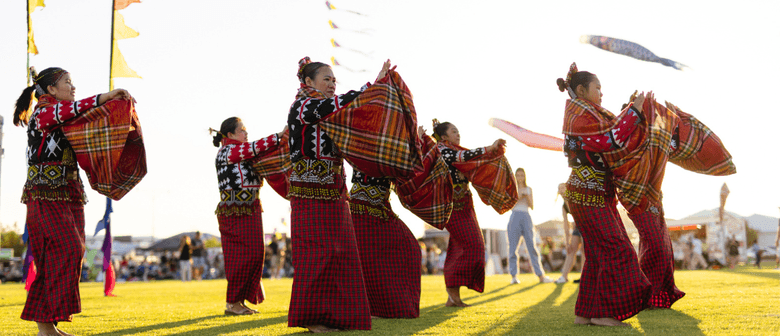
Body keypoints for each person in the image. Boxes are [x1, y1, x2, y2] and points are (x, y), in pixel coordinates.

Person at [14, 66, 133, 336]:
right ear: (52, 90)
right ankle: (46, 326)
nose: (73, 86)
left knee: (71, 252)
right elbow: (75, 109)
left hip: (68, 193)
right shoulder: (44, 112)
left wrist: (117, 106)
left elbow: (93, 120)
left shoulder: (66, 116)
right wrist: (105, 96)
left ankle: (47, 327)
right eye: (67, 82)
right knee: (66, 248)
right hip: (44, 194)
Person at [286, 57, 392, 332]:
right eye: (327, 79)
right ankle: (312, 319)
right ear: (308, 82)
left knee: (340, 252)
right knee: (316, 254)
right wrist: (374, 85)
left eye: (334, 80)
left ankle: (337, 316)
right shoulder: (305, 105)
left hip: (333, 192)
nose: (333, 84)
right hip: (309, 194)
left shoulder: (330, 113)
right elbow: (339, 103)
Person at [557, 63, 651, 326]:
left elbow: (611, 132)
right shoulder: (581, 117)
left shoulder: (584, 115)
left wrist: (628, 111)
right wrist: (633, 111)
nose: (601, 92)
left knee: (598, 254)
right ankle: (603, 313)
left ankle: (585, 313)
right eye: (597, 87)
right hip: (589, 193)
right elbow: (611, 140)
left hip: (590, 192)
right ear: (580, 89)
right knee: (618, 249)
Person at [212, 117, 283, 315]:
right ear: (230, 135)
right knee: (241, 257)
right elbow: (254, 147)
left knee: (255, 254)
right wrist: (278, 136)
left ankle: (239, 301)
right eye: (242, 130)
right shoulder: (227, 152)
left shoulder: (245, 153)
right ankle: (232, 303)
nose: (246, 133)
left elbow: (258, 150)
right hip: (233, 211)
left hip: (251, 208)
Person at [431, 120, 506, 307]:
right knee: (475, 246)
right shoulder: (442, 150)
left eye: (458, 131)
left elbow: (471, 160)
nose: (458, 134)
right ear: (444, 136)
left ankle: (453, 296)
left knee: (458, 249)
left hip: (465, 204)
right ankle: (452, 289)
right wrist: (490, 148)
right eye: (454, 131)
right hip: (451, 207)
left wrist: (493, 153)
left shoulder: (452, 150)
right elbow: (465, 156)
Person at [349, 169, 422, 318]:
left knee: (410, 248)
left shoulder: (389, 149)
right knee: (370, 260)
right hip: (364, 207)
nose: (459, 142)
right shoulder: (367, 147)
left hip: (377, 207)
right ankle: (375, 309)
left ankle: (379, 308)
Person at [506, 168, 553, 285]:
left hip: (526, 216)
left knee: (532, 247)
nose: (520, 177)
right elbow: (509, 205)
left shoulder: (528, 189)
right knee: (512, 248)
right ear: (515, 176)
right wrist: (519, 196)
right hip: (514, 216)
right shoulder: (511, 189)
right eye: (518, 175)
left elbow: (532, 206)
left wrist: (526, 196)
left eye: (522, 175)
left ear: (524, 176)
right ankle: (514, 276)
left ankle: (540, 275)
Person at [556, 184, 585, 284]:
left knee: (584, 250)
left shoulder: (574, 199)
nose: (561, 190)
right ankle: (564, 277)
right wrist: (567, 241)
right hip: (577, 227)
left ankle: (584, 276)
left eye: (563, 187)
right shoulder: (564, 206)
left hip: (585, 224)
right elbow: (566, 225)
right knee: (570, 250)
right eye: (559, 188)